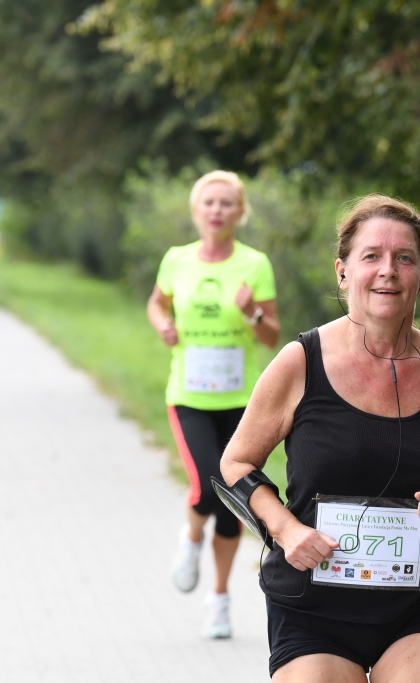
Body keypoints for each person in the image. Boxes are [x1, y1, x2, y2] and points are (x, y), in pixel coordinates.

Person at [221, 194, 420, 681]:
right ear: (343, 272)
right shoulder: (301, 362)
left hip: (415, 607)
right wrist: (286, 530)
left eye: (404, 258)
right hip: (312, 605)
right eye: (372, 256)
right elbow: (235, 465)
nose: (388, 271)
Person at [146, 170, 280, 638]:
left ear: (240, 212)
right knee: (208, 486)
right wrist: (162, 324)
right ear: (196, 211)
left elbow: (271, 336)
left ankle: (219, 599)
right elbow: (157, 303)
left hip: (243, 401)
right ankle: (191, 537)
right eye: (209, 202)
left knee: (232, 503)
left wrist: (251, 312)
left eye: (226, 203)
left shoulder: (255, 264)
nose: (217, 210)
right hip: (189, 396)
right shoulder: (176, 260)